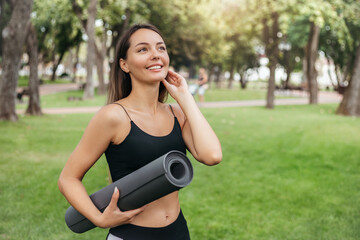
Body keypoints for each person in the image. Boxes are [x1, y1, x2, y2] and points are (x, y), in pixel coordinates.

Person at [58, 23, 222, 240]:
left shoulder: (177, 114)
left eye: (161, 48)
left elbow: (212, 156)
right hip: (131, 235)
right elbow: (68, 178)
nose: (155, 55)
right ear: (124, 64)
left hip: (177, 232)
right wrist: (99, 219)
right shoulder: (113, 117)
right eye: (143, 49)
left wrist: (185, 98)